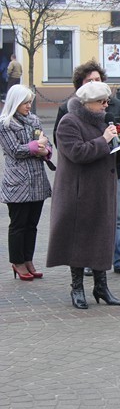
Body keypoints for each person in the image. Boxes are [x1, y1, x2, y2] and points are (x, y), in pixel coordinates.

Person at [47, 81, 120, 309]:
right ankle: (77, 288)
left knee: (101, 237)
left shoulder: (102, 121)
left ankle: (101, 287)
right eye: (101, 102)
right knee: (78, 240)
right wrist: (105, 139)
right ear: (86, 103)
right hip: (78, 193)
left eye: (107, 101)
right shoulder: (69, 122)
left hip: (103, 190)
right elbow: (78, 153)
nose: (106, 106)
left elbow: (112, 155)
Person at [0, 85, 52, 281]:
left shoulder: (34, 120)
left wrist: (46, 150)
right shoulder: (5, 124)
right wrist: (35, 147)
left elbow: (46, 142)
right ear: (15, 102)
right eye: (25, 102)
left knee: (32, 225)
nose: (29, 106)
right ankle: (17, 261)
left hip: (37, 180)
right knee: (18, 224)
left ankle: (28, 259)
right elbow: (14, 150)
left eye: (30, 102)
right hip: (18, 183)